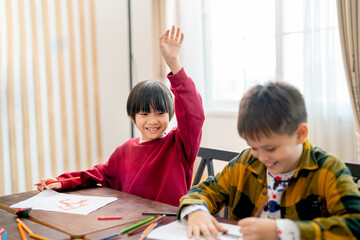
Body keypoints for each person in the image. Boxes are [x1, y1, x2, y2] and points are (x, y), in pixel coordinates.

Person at [37, 26, 205, 207]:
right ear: (133, 117)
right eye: (144, 114)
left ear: (171, 114)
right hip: (130, 223)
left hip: (168, 224)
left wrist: (173, 63)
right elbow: (98, 174)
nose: (153, 120)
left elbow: (194, 113)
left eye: (160, 113)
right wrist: (62, 181)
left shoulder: (179, 145)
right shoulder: (124, 151)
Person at [178, 82, 360, 240]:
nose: (262, 157)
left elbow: (355, 224)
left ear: (300, 134)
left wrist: (281, 231)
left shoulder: (328, 169)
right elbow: (204, 191)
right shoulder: (246, 162)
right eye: (254, 147)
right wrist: (196, 211)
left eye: (271, 148)